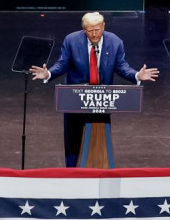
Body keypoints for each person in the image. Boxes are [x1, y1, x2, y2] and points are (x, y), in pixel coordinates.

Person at [28, 12, 160, 167]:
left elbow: (122, 67)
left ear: (103, 26)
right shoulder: (71, 40)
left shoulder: (115, 42)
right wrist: (48, 73)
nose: (94, 34)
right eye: (90, 30)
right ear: (84, 29)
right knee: (73, 140)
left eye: (97, 29)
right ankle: (72, 172)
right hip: (75, 99)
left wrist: (137, 75)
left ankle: (100, 170)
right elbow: (62, 64)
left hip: (102, 99)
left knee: (99, 137)